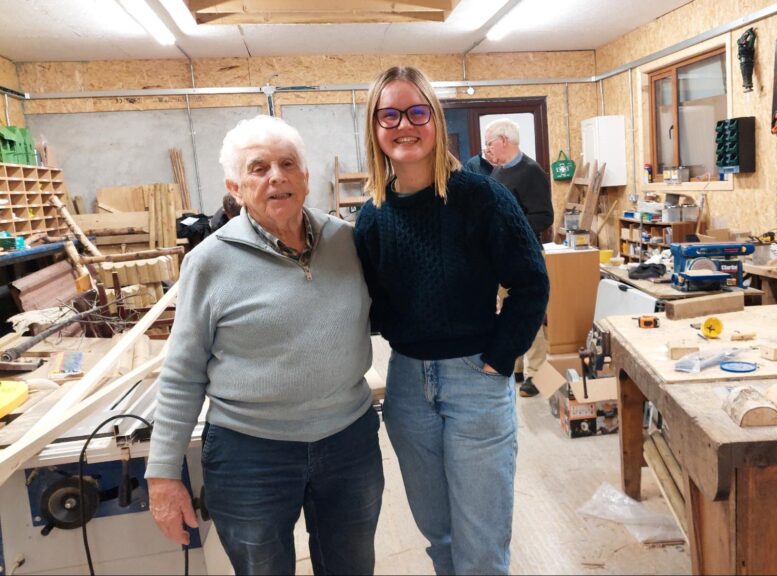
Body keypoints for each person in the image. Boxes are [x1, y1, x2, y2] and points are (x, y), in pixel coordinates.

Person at [145, 114, 383, 576]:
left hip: (349, 442)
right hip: (249, 454)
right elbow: (182, 372)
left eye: (288, 164)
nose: (277, 177)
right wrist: (162, 473)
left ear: (306, 178)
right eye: (258, 168)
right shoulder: (209, 262)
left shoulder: (346, 242)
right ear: (235, 186)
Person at [354, 66, 549, 575]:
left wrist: (500, 358)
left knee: (481, 549)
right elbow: (367, 305)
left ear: (435, 121)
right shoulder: (372, 215)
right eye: (390, 114)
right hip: (406, 385)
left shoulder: (481, 198)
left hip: (475, 380)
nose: (405, 124)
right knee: (439, 538)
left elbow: (532, 283)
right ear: (375, 129)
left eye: (417, 111)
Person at [484, 118, 554, 397]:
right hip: (500, 254)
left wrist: (511, 229)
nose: (487, 150)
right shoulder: (498, 172)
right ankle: (516, 366)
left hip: (524, 254)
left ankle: (538, 375)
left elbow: (544, 216)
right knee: (506, 312)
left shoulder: (531, 171)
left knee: (528, 314)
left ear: (504, 140)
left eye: (489, 143)